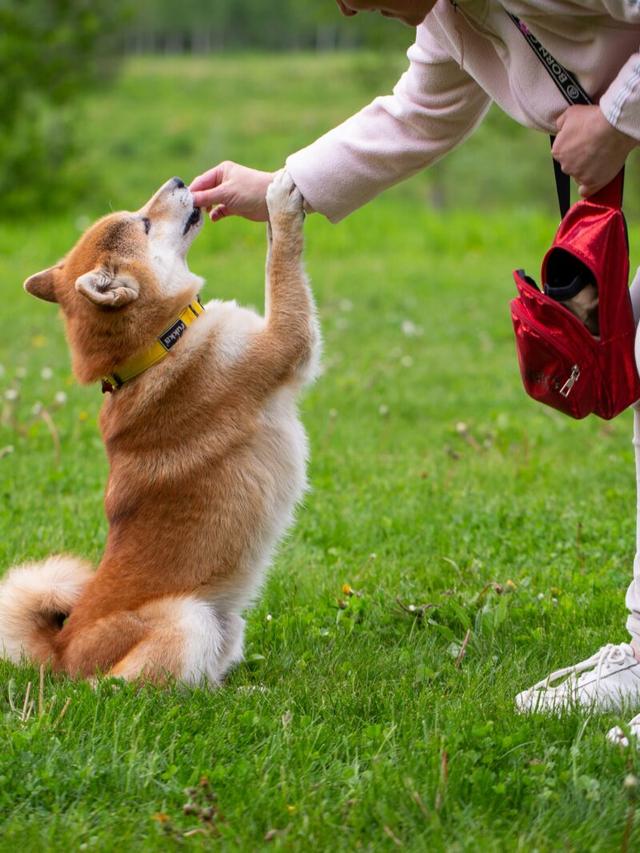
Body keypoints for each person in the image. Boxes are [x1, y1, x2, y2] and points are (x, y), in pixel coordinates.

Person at [189, 0, 640, 741]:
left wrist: (619, 117)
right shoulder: (452, 20)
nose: (350, 8)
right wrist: (281, 188)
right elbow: (416, 117)